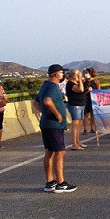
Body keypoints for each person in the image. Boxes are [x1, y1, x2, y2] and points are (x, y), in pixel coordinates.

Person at [34, 65, 76, 193]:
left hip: (46, 123)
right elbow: (47, 101)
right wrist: (57, 114)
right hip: (54, 125)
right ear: (57, 74)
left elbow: (36, 102)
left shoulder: (45, 86)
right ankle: (60, 183)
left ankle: (50, 182)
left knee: (49, 151)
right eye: (62, 73)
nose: (63, 75)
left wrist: (45, 112)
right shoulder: (52, 87)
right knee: (60, 152)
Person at [65, 68, 87, 150]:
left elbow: (83, 89)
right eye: (78, 74)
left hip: (80, 104)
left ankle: (78, 141)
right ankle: (74, 143)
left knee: (79, 124)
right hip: (75, 105)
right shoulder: (70, 84)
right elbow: (80, 89)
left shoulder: (76, 83)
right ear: (74, 76)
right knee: (75, 124)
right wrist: (80, 79)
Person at [82, 68, 99, 134]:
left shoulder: (96, 82)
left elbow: (98, 90)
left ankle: (92, 128)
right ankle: (85, 129)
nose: (86, 74)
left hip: (93, 99)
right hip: (86, 99)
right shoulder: (84, 82)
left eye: (87, 73)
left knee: (92, 114)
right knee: (86, 114)